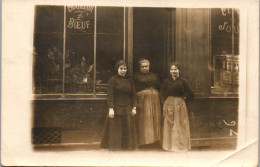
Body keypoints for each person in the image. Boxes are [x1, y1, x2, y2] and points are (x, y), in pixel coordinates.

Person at [100, 60, 138, 150]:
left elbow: (133, 95)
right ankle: (115, 147)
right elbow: (110, 95)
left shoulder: (129, 80)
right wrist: (111, 108)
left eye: (125, 69)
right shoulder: (113, 80)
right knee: (116, 128)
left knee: (127, 127)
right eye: (121, 69)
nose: (123, 70)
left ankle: (127, 147)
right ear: (117, 69)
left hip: (127, 107)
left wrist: (134, 107)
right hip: (116, 107)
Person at [160, 62, 194, 152]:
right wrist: (165, 103)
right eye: (171, 69)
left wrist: (183, 100)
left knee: (180, 125)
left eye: (175, 69)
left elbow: (191, 94)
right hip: (169, 104)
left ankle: (179, 146)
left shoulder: (183, 81)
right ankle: (168, 146)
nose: (173, 71)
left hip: (179, 105)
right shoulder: (166, 81)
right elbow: (162, 93)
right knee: (169, 124)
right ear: (169, 71)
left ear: (179, 70)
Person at [133, 58, 161, 146]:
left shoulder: (155, 75)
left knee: (155, 119)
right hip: (143, 100)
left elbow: (160, 86)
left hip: (155, 100)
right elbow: (134, 89)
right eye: (143, 67)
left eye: (146, 66)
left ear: (149, 67)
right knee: (145, 120)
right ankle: (145, 141)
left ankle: (155, 141)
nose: (145, 68)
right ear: (140, 67)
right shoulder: (136, 76)